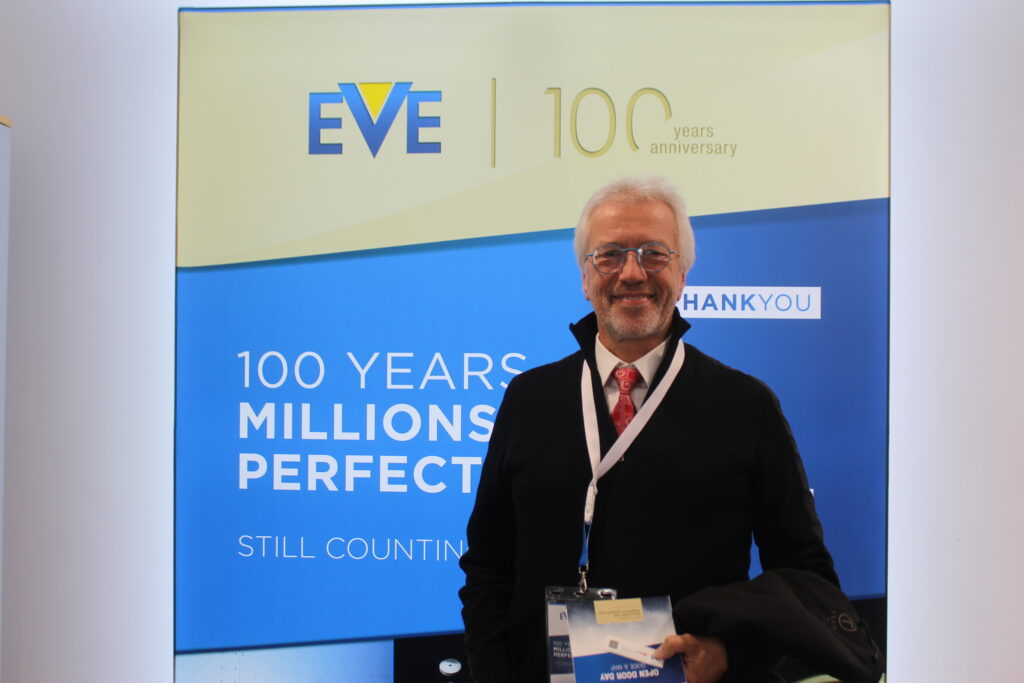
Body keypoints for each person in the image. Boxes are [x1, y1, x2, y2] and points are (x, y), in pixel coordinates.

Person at [459, 177, 839, 683]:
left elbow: (805, 577)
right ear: (585, 277)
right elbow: (488, 566)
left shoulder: (746, 406)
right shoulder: (529, 398)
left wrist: (731, 655)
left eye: (655, 254)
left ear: (682, 275)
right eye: (610, 255)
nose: (632, 272)